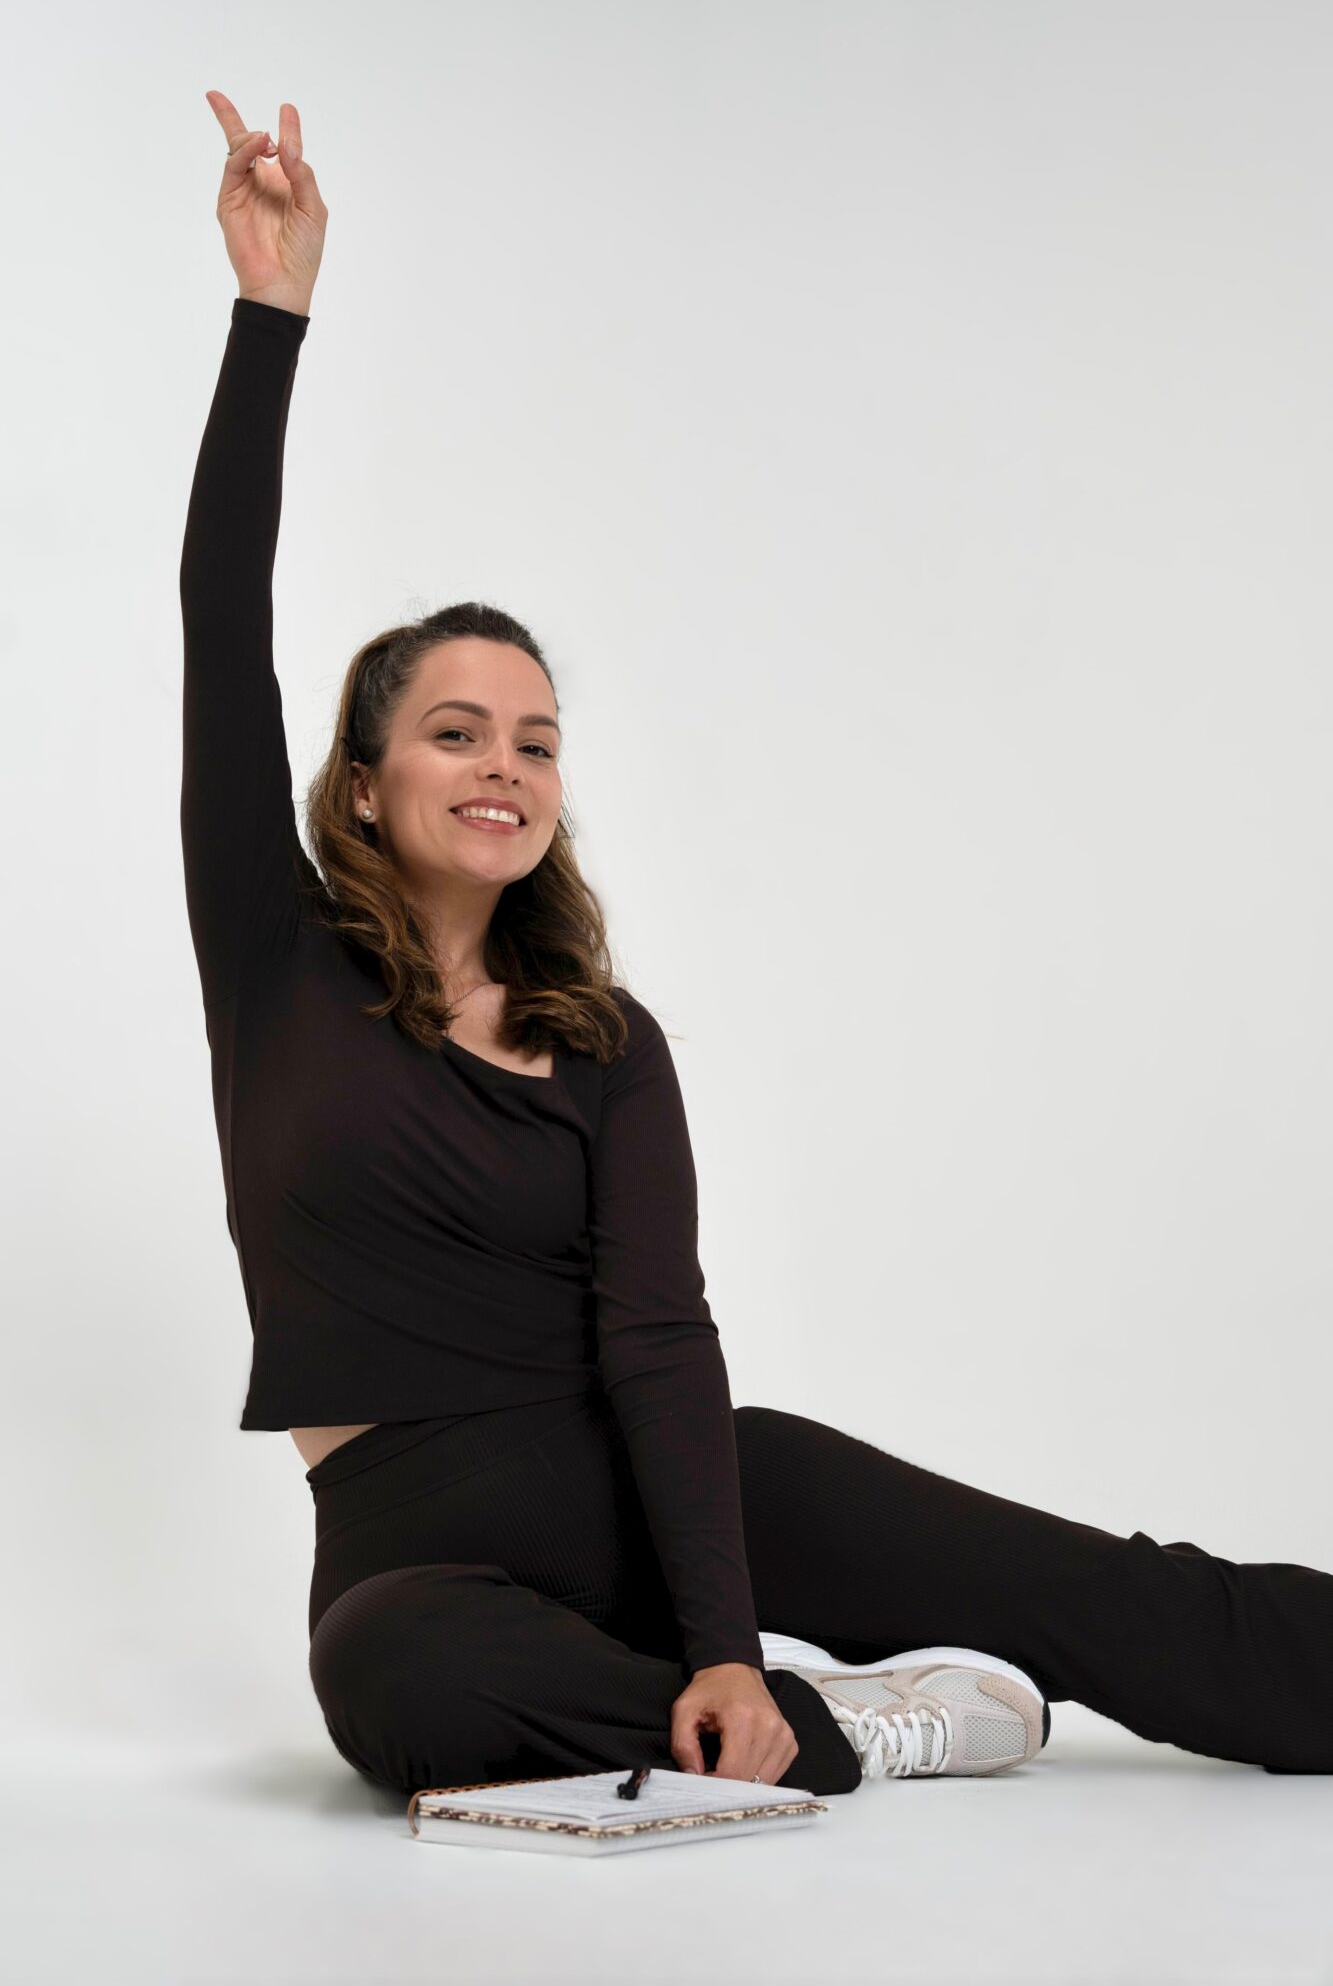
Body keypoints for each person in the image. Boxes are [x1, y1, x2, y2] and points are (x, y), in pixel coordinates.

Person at [179, 91, 1333, 1799]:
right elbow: (218, 620)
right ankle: (837, 1727)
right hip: (418, 1557)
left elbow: (656, 1333)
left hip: (679, 1488)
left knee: (1095, 1593)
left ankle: (746, 1695)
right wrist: (271, 315)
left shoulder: (603, 1040)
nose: (503, 764)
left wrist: (724, 1632)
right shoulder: (277, 969)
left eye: (536, 740)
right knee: (396, 1697)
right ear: (360, 782)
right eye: (454, 730)